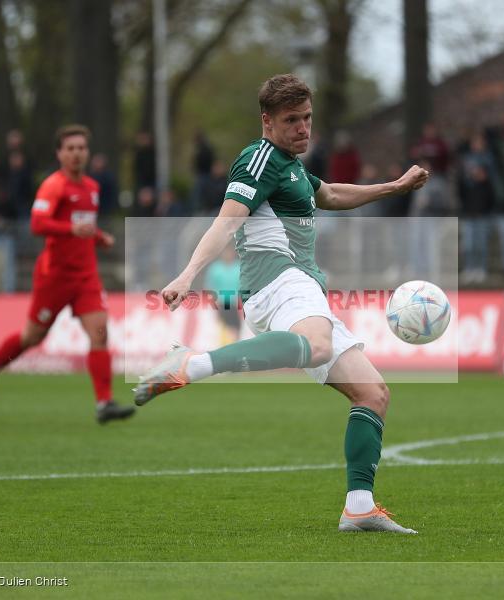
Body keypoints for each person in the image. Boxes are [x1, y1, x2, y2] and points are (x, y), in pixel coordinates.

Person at [133, 74, 428, 533]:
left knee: (372, 393)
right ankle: (191, 363)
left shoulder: (290, 166)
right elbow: (227, 223)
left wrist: (392, 188)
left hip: (301, 285)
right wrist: (188, 275)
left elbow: (326, 193)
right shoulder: (259, 159)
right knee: (319, 344)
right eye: (292, 120)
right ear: (267, 122)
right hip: (278, 278)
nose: (303, 129)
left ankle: (359, 506)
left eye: (308, 118)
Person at [0, 125, 135, 424]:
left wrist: (98, 237)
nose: (76, 153)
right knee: (31, 337)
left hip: (85, 276)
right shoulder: (53, 186)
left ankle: (104, 404)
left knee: (100, 332)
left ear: (87, 152)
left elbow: (82, 225)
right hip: (55, 277)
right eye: (70, 148)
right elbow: (37, 224)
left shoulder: (92, 188)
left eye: (81, 148)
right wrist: (71, 230)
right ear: (59, 153)